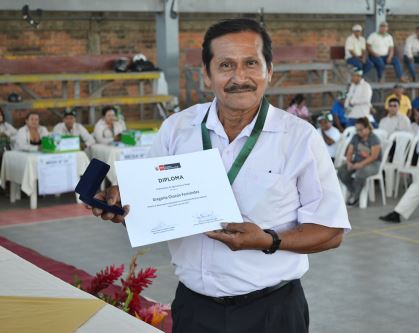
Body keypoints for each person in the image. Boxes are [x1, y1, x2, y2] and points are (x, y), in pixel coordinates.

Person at [89, 18, 351, 333]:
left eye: (251, 63)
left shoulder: (299, 138)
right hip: (195, 309)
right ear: (207, 75)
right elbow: (149, 196)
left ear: (270, 71)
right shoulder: (178, 128)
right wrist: (122, 201)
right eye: (226, 65)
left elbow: (331, 231)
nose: (239, 77)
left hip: (272, 312)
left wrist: (268, 240)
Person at [338, 117, 381, 206]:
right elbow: (350, 152)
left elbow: (373, 157)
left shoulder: (374, 139)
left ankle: (356, 197)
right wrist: (349, 162)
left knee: (360, 173)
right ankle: (354, 191)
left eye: (360, 130)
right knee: (342, 171)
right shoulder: (355, 137)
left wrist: (359, 165)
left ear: (367, 128)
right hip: (356, 161)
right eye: (357, 130)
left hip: (373, 164)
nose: (358, 132)